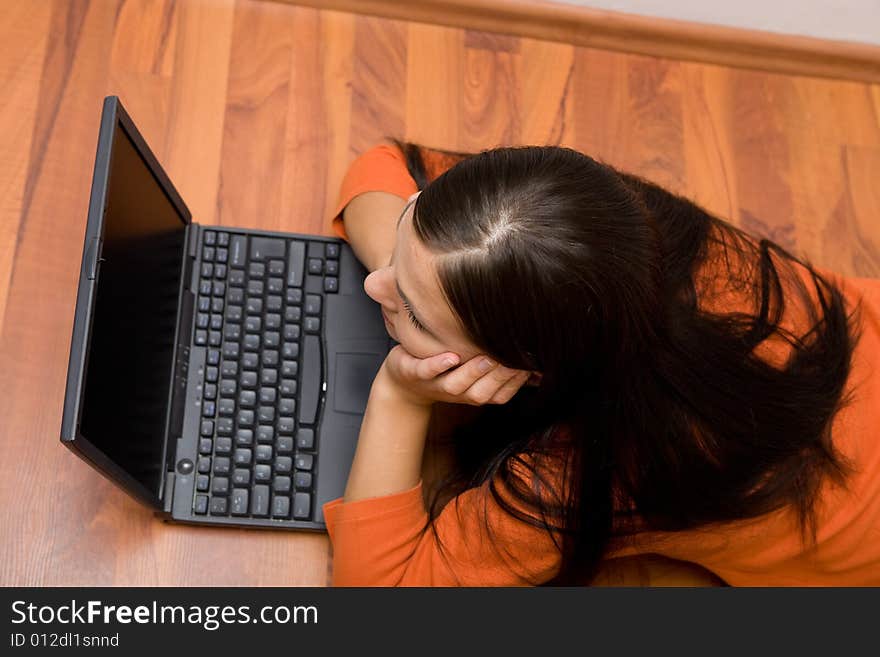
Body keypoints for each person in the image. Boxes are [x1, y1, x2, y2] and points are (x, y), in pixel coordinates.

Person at [320, 141, 880, 586]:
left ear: (528, 369)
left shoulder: (592, 468)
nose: (374, 285)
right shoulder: (572, 223)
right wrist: (411, 268)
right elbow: (382, 163)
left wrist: (401, 393)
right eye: (405, 234)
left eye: (415, 315)